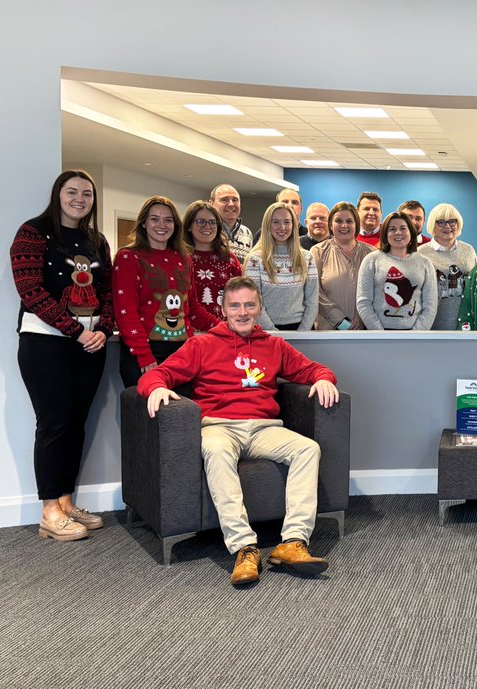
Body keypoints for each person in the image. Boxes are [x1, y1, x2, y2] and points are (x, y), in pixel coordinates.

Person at [137, 276, 340, 586]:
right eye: (235, 306)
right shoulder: (202, 344)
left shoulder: (274, 345)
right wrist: (154, 388)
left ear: (259, 308)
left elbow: (312, 369)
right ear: (224, 310)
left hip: (263, 429)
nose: (242, 312)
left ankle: (293, 542)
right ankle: (245, 547)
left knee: (307, 449)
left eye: (249, 305)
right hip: (219, 428)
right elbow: (160, 374)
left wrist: (324, 379)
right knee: (216, 450)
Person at [11, 170, 114, 541]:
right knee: (53, 423)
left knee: (76, 422)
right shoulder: (33, 232)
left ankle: (68, 502)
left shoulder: (96, 241)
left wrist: (103, 330)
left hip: (90, 344)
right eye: (72, 192)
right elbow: (31, 291)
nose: (79, 199)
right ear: (58, 195)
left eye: (86, 194)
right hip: (45, 343)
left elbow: (107, 291)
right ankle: (49, 509)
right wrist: (77, 330)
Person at [113, 196, 214, 388]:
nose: (162, 225)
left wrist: (225, 328)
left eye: (168, 220)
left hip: (183, 352)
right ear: (143, 223)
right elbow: (126, 313)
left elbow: (192, 308)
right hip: (145, 352)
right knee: (148, 414)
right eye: (154, 219)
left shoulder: (184, 259)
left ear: (175, 225)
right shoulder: (128, 258)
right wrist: (144, 355)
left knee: (182, 414)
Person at [242, 203, 319, 330]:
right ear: (267, 225)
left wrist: (303, 332)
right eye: (275, 222)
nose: (282, 227)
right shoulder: (255, 259)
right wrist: (273, 331)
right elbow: (254, 301)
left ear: (293, 225)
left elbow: (312, 301)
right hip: (266, 331)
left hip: (302, 329)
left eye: (287, 222)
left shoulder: (307, 258)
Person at [356, 211, 438, 330]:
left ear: (411, 232)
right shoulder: (371, 260)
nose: (398, 233)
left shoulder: (425, 263)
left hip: (415, 338)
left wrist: (416, 334)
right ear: (385, 233)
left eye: (403, 228)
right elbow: (363, 302)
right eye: (392, 229)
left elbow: (430, 305)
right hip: (379, 336)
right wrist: (379, 333)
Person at [310, 202, 372, 330]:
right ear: (331, 226)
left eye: (349, 221)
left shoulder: (371, 253)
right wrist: (342, 323)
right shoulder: (318, 251)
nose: (344, 225)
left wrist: (363, 321)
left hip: (364, 329)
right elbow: (315, 291)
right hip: (329, 329)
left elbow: (376, 293)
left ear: (357, 225)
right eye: (338, 221)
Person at [417, 203, 477, 330]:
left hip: (465, 323)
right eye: (441, 222)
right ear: (433, 225)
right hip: (432, 325)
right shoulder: (420, 253)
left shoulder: (468, 250)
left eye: (452, 222)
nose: (448, 226)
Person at [183, 200, 242, 329]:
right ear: (188, 226)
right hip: (190, 333)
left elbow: (242, 295)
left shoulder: (229, 258)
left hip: (226, 332)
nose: (207, 226)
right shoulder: (181, 259)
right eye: (201, 221)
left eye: (212, 222)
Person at [211, 184, 254, 263]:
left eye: (235, 200)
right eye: (224, 199)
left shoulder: (247, 233)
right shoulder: (207, 231)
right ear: (211, 203)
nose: (231, 204)